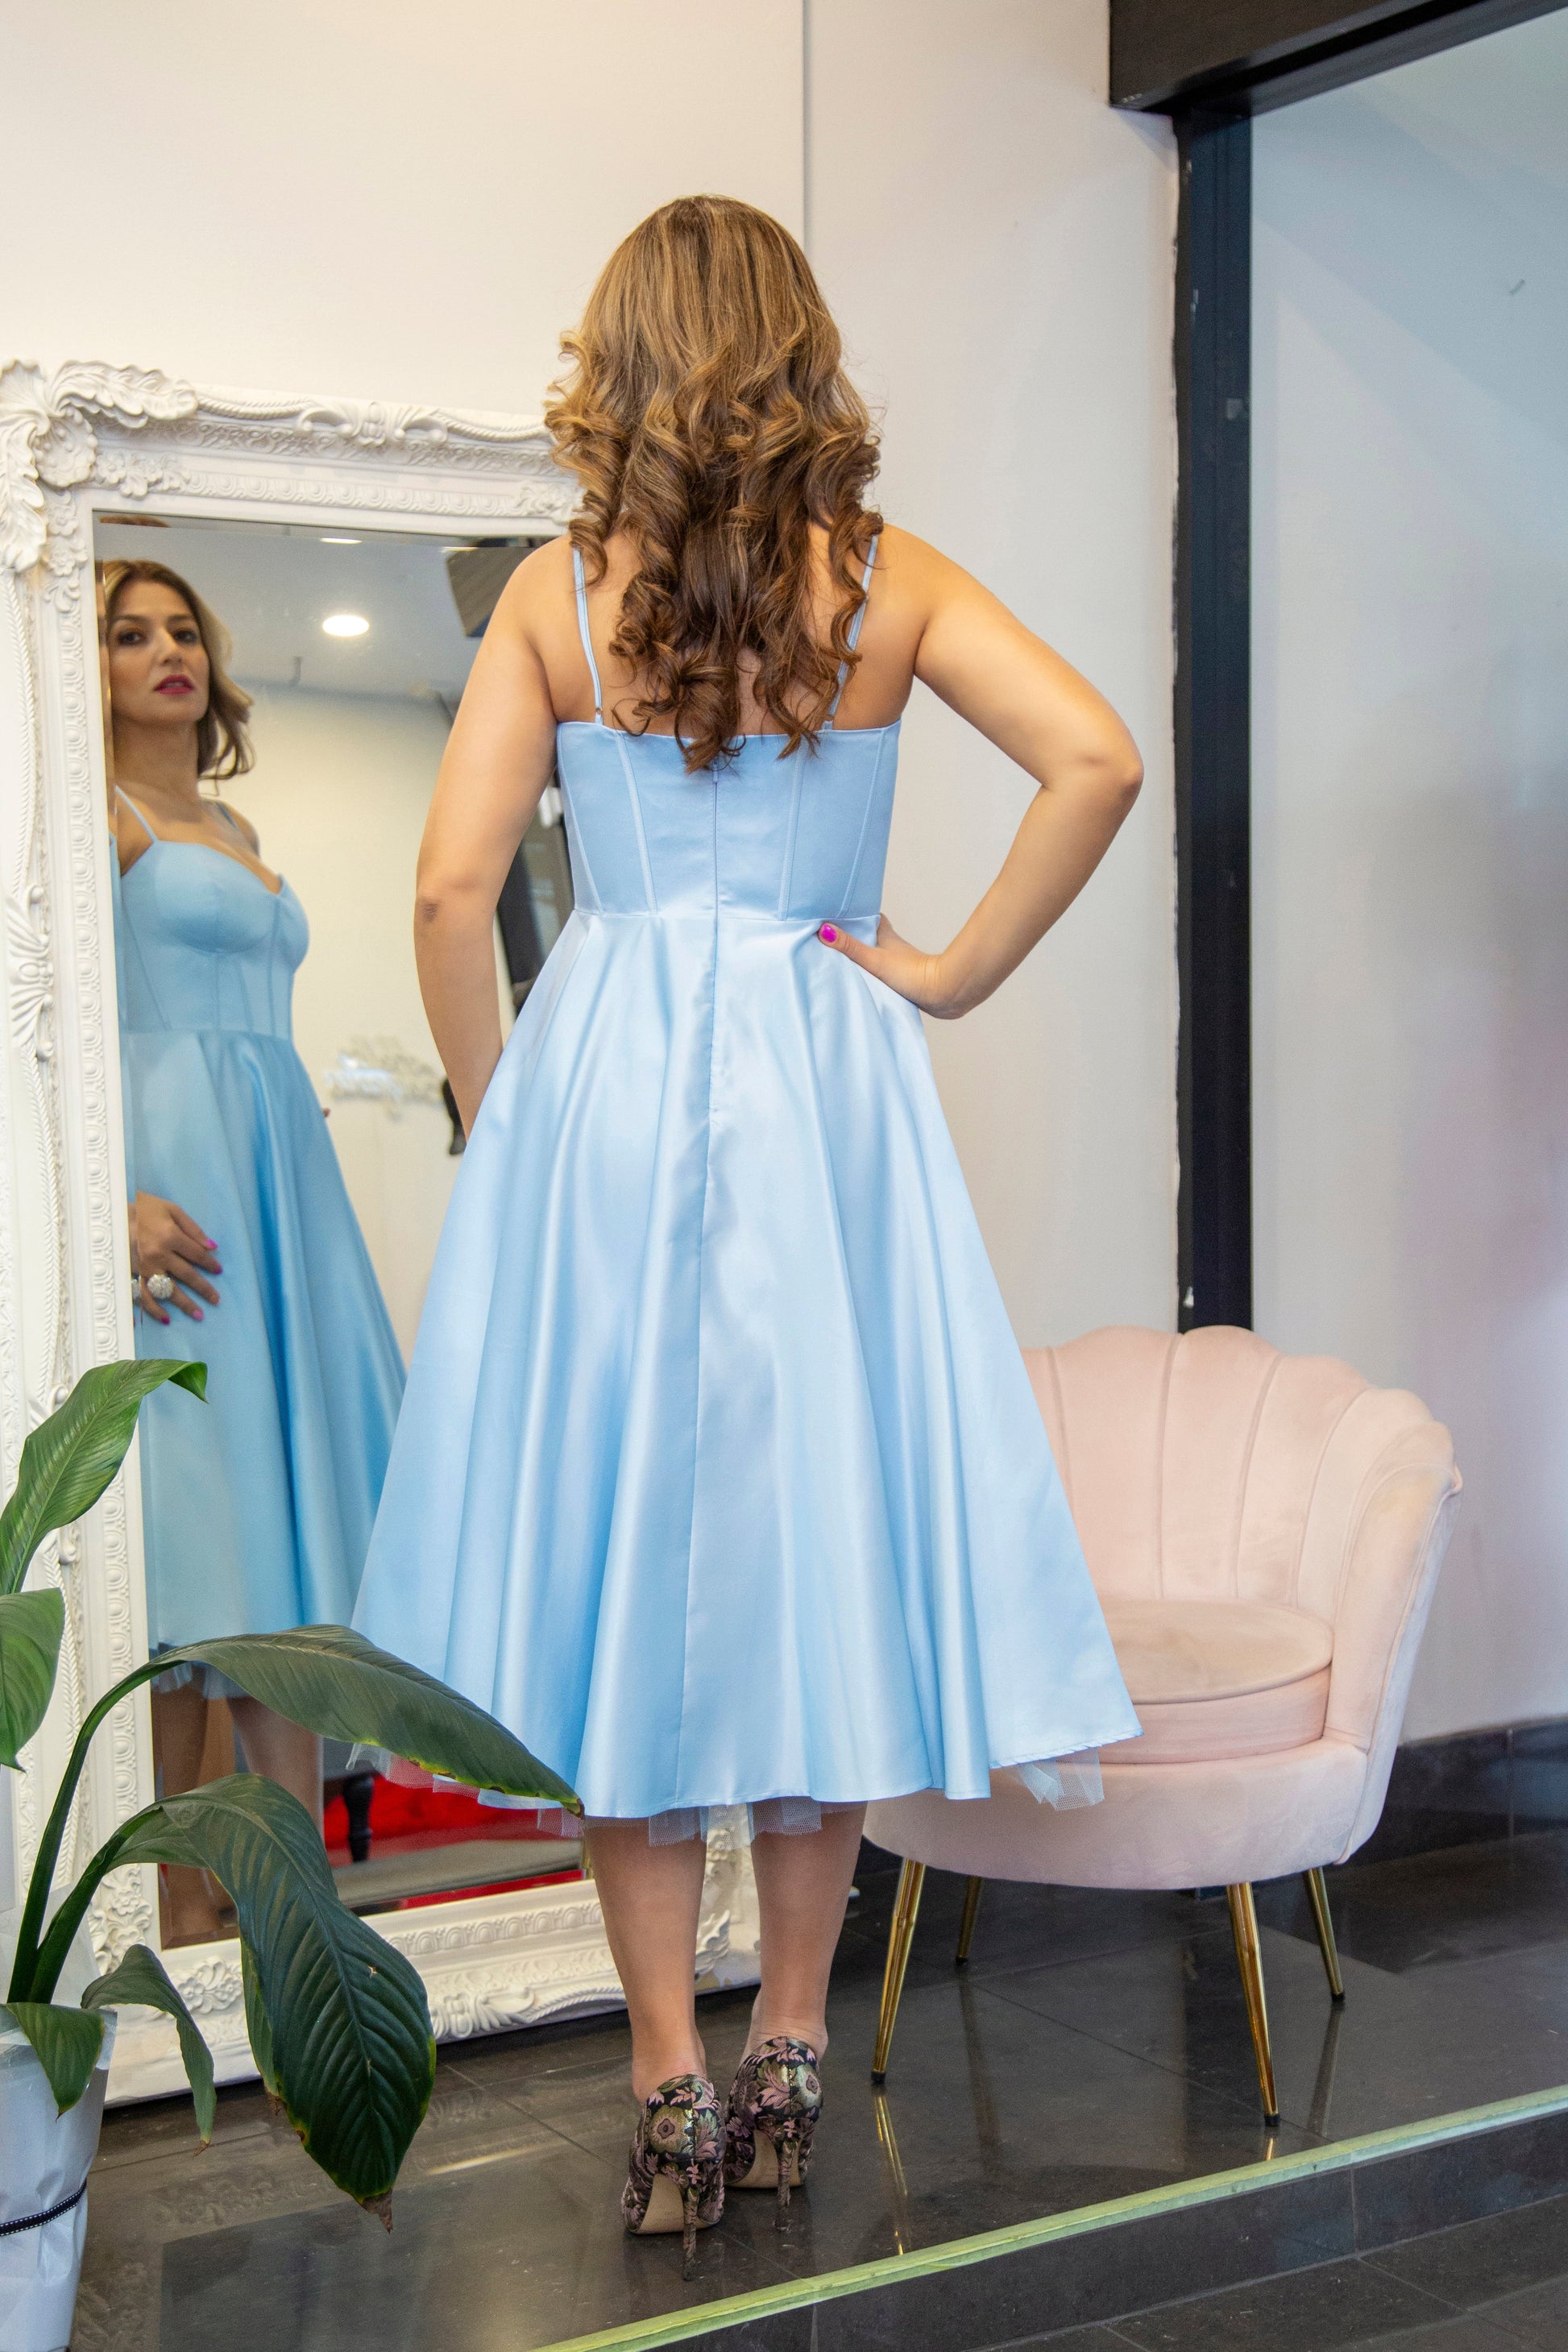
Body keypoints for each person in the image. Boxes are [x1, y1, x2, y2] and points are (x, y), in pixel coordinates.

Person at [352, 195, 1143, 2263]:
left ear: (615, 354)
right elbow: (1096, 754)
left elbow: (450, 899)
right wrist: (949, 970)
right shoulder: (879, 583)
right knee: (813, 1548)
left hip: (604, 1074)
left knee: (627, 1570)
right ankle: (793, 2043)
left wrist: (498, 1107)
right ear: (799, 351)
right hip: (820, 1079)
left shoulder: (557, 595)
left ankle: (659, 2079)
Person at [104, 557, 406, 1943]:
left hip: (281, 1176)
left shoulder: (226, 816)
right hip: (178, 1196)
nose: (166, 650)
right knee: (200, 1532)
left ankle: (303, 1907)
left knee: (282, 1544)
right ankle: (175, 1902)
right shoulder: (80, 818)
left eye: (181, 629)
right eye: (127, 633)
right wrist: (106, 1201)